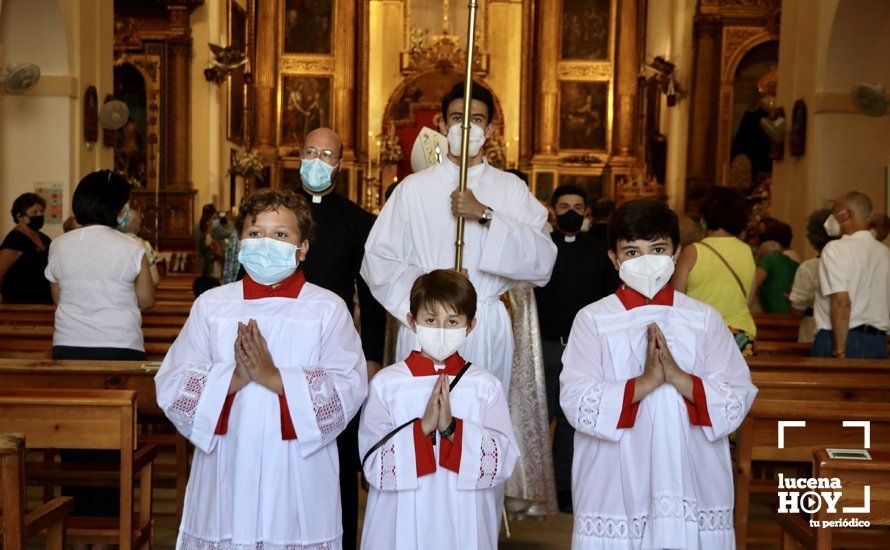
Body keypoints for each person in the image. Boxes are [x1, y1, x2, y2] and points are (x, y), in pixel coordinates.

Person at [155, 189, 368, 549]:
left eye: (281, 235)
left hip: (296, 468)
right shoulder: (213, 306)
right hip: (228, 458)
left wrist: (273, 377)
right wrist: (235, 377)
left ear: (302, 249)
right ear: (240, 244)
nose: (266, 242)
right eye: (256, 234)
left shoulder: (326, 309)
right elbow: (173, 383)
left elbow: (349, 386)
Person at [560, 198, 757, 549]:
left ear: (677, 252)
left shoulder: (703, 319)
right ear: (614, 258)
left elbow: (736, 395)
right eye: (632, 252)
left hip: (690, 467)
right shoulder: (593, 319)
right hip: (617, 472)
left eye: (658, 248)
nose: (646, 260)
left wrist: (680, 378)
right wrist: (645, 382)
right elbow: (576, 401)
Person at [361, 81, 557, 393]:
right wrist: (434, 284)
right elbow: (377, 260)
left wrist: (485, 215)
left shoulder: (511, 189)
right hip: (425, 325)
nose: (466, 128)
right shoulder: (413, 188)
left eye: (477, 120)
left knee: (479, 425)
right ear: (441, 124)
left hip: (484, 324)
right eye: (457, 118)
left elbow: (542, 260)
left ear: (490, 129)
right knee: (419, 423)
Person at [359, 269, 519, 550]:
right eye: (431, 320)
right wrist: (422, 428)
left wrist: (451, 428)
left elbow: (502, 463)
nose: (441, 330)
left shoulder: (484, 386)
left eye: (452, 321)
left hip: (464, 518)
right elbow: (372, 467)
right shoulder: (388, 384)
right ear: (412, 321)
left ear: (470, 326)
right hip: (400, 518)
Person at [297, 127, 387, 550]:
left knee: (339, 452)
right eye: (310, 151)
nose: (317, 160)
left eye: (327, 154)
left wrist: (370, 358)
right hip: (279, 349)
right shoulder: (276, 212)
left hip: (334, 350)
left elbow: (369, 296)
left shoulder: (358, 221)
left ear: (340, 163)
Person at [534, 184, 618, 513]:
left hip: (583, 349)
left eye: (578, 206)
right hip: (544, 345)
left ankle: (566, 487)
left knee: (573, 420)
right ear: (552, 211)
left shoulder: (599, 251)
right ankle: (538, 487)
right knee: (541, 417)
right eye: (564, 205)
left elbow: (609, 299)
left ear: (588, 213)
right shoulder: (540, 248)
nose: (571, 212)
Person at [46, 170, 155, 360]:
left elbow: (58, 298)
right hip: (121, 343)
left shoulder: (58, 245)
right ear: (117, 208)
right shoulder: (133, 247)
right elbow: (146, 300)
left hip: (69, 343)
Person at [672, 187, 757, 355]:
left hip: (700, 333)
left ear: (704, 218)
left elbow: (676, 300)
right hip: (740, 334)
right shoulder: (747, 250)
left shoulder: (693, 251)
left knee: (700, 382)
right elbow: (749, 300)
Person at [815, 191, 890, 358]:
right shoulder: (885, 253)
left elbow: (841, 302)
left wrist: (839, 351)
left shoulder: (835, 249)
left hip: (839, 337)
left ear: (847, 214)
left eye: (834, 211)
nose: (831, 217)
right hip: (877, 342)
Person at [789, 209, 836, 344]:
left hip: (813, 329)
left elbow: (797, 313)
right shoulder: (849, 263)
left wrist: (793, 301)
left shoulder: (808, 267)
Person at [0, 192, 53, 304]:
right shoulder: (14, 240)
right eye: (34, 212)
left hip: (44, 303)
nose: (39, 215)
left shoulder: (45, 239)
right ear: (20, 217)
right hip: (21, 304)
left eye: (41, 212)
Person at [753, 219, 799, 314]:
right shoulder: (794, 263)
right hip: (792, 313)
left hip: (771, 313)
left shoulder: (768, 260)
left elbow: (753, 285)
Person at [119, 205, 160, 286]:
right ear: (138, 227)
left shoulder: (110, 242)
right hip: (139, 293)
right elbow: (155, 279)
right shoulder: (145, 245)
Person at [194, 203, 224, 277]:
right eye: (214, 218)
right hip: (210, 272)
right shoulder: (208, 238)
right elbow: (219, 253)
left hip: (214, 271)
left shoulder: (212, 236)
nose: (217, 221)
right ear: (207, 221)